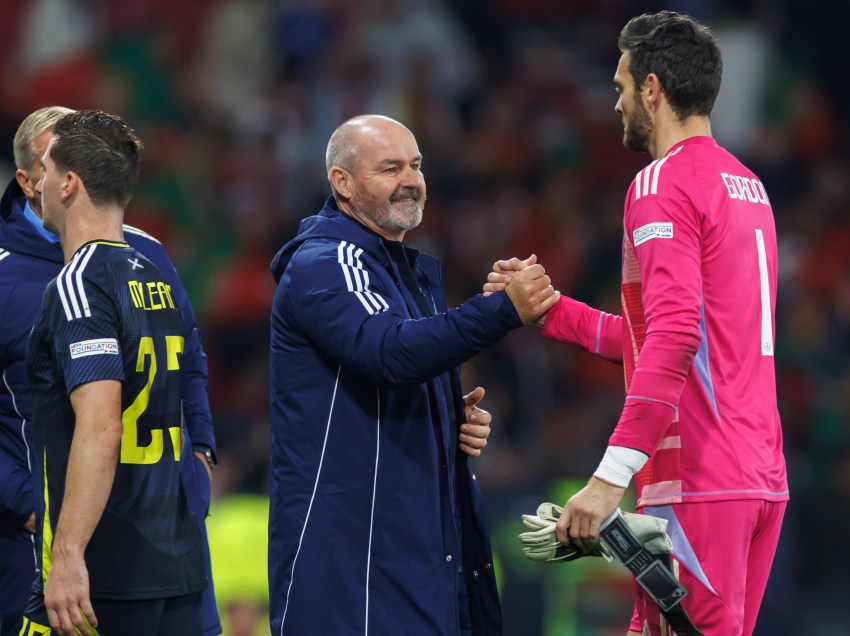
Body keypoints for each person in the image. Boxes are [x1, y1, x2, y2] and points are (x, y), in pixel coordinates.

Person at [487, 12, 788, 636]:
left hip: (699, 481)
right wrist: (556, 314)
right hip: (758, 479)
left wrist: (606, 482)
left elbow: (675, 339)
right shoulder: (747, 185)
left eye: (621, 85)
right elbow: (675, 338)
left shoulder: (661, 183)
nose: (616, 101)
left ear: (652, 89)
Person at [268, 114, 557, 635]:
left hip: (415, 557)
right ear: (343, 184)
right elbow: (388, 353)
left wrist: (445, 416)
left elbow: (397, 371)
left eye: (417, 165)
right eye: (390, 168)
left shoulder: (404, 272)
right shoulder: (327, 261)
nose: (411, 179)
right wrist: (500, 311)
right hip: (352, 568)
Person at [0, 107, 221, 636]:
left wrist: (201, 459)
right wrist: (23, 502)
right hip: (43, 533)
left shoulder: (143, 253)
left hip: (152, 538)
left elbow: (188, 360)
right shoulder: (19, 272)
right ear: (31, 180)